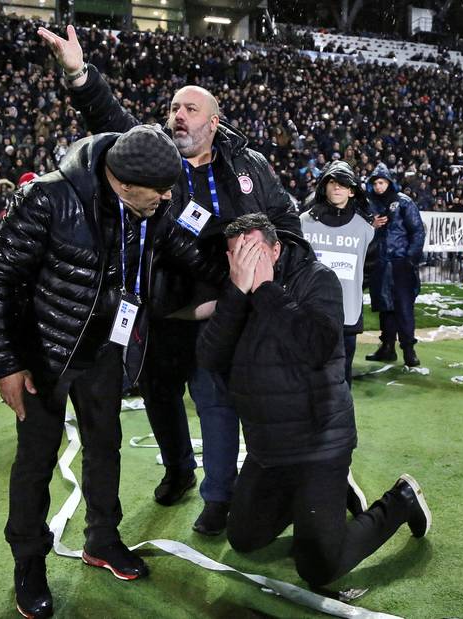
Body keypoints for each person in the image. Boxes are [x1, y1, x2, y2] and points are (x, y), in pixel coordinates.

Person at [38, 24, 301, 535]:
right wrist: (79, 74)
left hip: (231, 308)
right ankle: (180, 468)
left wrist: (274, 272)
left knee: (221, 400)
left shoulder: (249, 165)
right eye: (173, 108)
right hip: (165, 307)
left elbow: (285, 224)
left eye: (190, 109)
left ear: (214, 121)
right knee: (161, 394)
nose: (177, 116)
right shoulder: (157, 155)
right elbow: (110, 118)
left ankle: (225, 495)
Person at [0, 124, 221, 618]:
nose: (167, 198)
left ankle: (102, 539)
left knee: (104, 447)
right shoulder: (46, 198)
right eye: (159, 191)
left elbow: (188, 252)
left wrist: (245, 271)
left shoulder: (151, 201)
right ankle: (29, 563)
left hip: (107, 351)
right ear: (122, 183)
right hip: (45, 353)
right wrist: (6, 363)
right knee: (36, 460)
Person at [196, 213, 431, 587]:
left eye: (253, 250)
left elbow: (317, 347)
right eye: (236, 253)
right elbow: (210, 357)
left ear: (275, 249)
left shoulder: (317, 278)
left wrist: (267, 291)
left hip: (318, 444)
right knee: (243, 539)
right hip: (267, 449)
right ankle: (328, 498)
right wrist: (237, 295)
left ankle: (401, 501)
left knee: (319, 568)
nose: (244, 261)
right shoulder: (233, 289)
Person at [300, 161, 375, 386]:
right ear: (324, 187)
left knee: (342, 377)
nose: (337, 188)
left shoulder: (365, 229)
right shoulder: (304, 222)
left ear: (352, 191)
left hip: (347, 315)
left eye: (342, 183)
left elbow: (370, 267)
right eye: (331, 182)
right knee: (307, 375)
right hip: (309, 312)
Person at [362, 163, 426, 367]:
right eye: (375, 183)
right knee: (384, 306)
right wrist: (370, 225)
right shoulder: (368, 205)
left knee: (404, 307)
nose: (379, 186)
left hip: (400, 262)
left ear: (389, 182)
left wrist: (410, 258)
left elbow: (417, 231)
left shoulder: (404, 202)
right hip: (379, 262)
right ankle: (387, 347)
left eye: (381, 182)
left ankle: (409, 349)